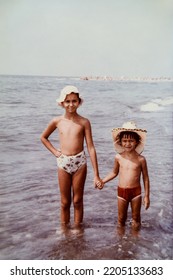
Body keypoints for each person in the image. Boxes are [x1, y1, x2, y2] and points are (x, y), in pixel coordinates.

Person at [40, 85, 101, 226]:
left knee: (78, 201)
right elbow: (43, 137)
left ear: (79, 102)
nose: (71, 104)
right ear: (62, 103)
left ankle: (78, 230)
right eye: (67, 101)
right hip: (63, 163)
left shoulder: (84, 122)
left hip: (80, 162)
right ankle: (64, 231)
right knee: (65, 202)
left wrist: (96, 174)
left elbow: (91, 147)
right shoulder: (57, 121)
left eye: (74, 101)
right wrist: (55, 152)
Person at [97, 121, 150, 230]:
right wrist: (103, 181)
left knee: (136, 218)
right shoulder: (118, 157)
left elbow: (145, 178)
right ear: (120, 142)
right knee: (121, 219)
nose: (127, 144)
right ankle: (121, 243)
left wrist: (147, 196)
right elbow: (114, 173)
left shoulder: (141, 159)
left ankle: (135, 241)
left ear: (137, 142)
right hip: (121, 192)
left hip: (136, 192)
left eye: (131, 141)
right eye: (125, 141)